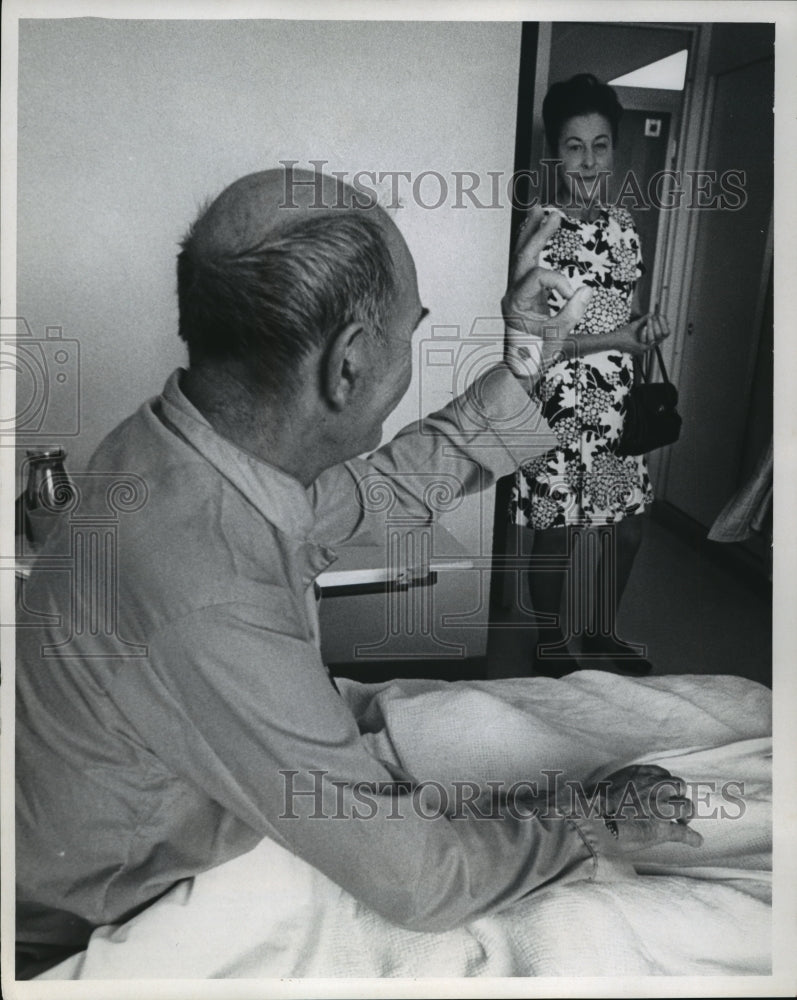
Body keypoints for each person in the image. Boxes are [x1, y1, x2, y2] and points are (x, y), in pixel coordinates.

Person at [15, 166, 684, 978]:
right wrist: (592, 825)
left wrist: (528, 361)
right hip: (102, 913)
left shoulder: (173, 444)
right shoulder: (207, 591)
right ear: (350, 363)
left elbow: (383, 492)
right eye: (412, 333)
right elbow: (421, 881)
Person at [510, 73, 663, 677]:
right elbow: (533, 339)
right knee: (559, 533)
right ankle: (551, 639)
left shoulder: (625, 226)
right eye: (575, 146)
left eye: (601, 145)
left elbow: (625, 309)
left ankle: (600, 633)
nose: (590, 161)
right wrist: (617, 340)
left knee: (626, 531)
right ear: (555, 153)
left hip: (617, 405)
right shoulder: (540, 228)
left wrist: (644, 329)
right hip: (560, 403)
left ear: (614, 150)